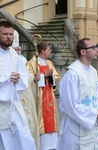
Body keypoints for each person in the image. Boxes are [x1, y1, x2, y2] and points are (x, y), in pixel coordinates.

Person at [57, 38, 98, 150]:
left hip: (92, 125)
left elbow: (97, 96)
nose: (97, 50)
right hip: (75, 128)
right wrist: (93, 113)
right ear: (83, 52)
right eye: (93, 47)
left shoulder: (93, 71)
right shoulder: (72, 74)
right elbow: (70, 105)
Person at [0, 21, 36, 150]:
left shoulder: (14, 54)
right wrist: (6, 78)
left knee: (26, 140)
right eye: (5, 34)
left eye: (11, 34)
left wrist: (18, 79)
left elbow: (23, 76)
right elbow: (6, 77)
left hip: (14, 105)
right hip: (1, 106)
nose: (9, 37)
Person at [27, 42, 61, 150]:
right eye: (48, 50)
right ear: (42, 51)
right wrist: (43, 76)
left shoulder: (49, 63)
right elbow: (28, 80)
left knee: (51, 120)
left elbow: (56, 77)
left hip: (49, 96)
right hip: (38, 97)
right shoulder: (31, 63)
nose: (50, 52)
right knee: (40, 121)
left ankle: (52, 145)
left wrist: (50, 78)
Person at [13, 44, 40, 150]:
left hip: (26, 99)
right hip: (15, 100)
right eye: (15, 50)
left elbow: (27, 76)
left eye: (18, 50)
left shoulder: (22, 61)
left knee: (29, 127)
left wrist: (34, 78)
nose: (17, 52)